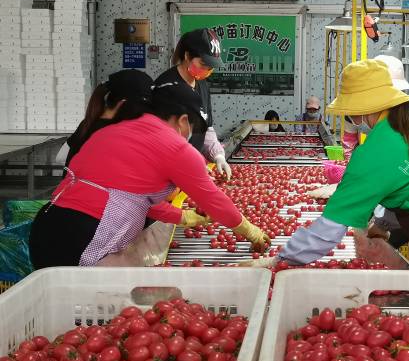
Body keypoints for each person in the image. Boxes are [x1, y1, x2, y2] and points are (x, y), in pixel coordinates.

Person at [247, 59, 409, 271]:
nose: (352, 119)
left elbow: (328, 230)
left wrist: (281, 259)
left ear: (361, 108)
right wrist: (385, 225)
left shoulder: (376, 148)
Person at [29, 80, 269, 269]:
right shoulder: (176, 148)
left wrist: (184, 217)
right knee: (90, 315)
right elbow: (214, 201)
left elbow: (129, 197)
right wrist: (250, 231)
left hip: (46, 228)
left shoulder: (114, 131)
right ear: (183, 121)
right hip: (84, 238)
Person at [156, 28, 232, 179]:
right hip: (167, 175)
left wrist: (218, 155)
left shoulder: (202, 85)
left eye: (211, 67)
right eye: (203, 63)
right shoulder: (166, 88)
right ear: (187, 56)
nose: (207, 70)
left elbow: (206, 127)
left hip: (190, 174)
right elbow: (161, 143)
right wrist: (190, 166)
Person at [56, 70, 154, 167]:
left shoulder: (90, 122)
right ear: (123, 103)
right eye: (143, 106)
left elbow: (60, 157)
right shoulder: (113, 132)